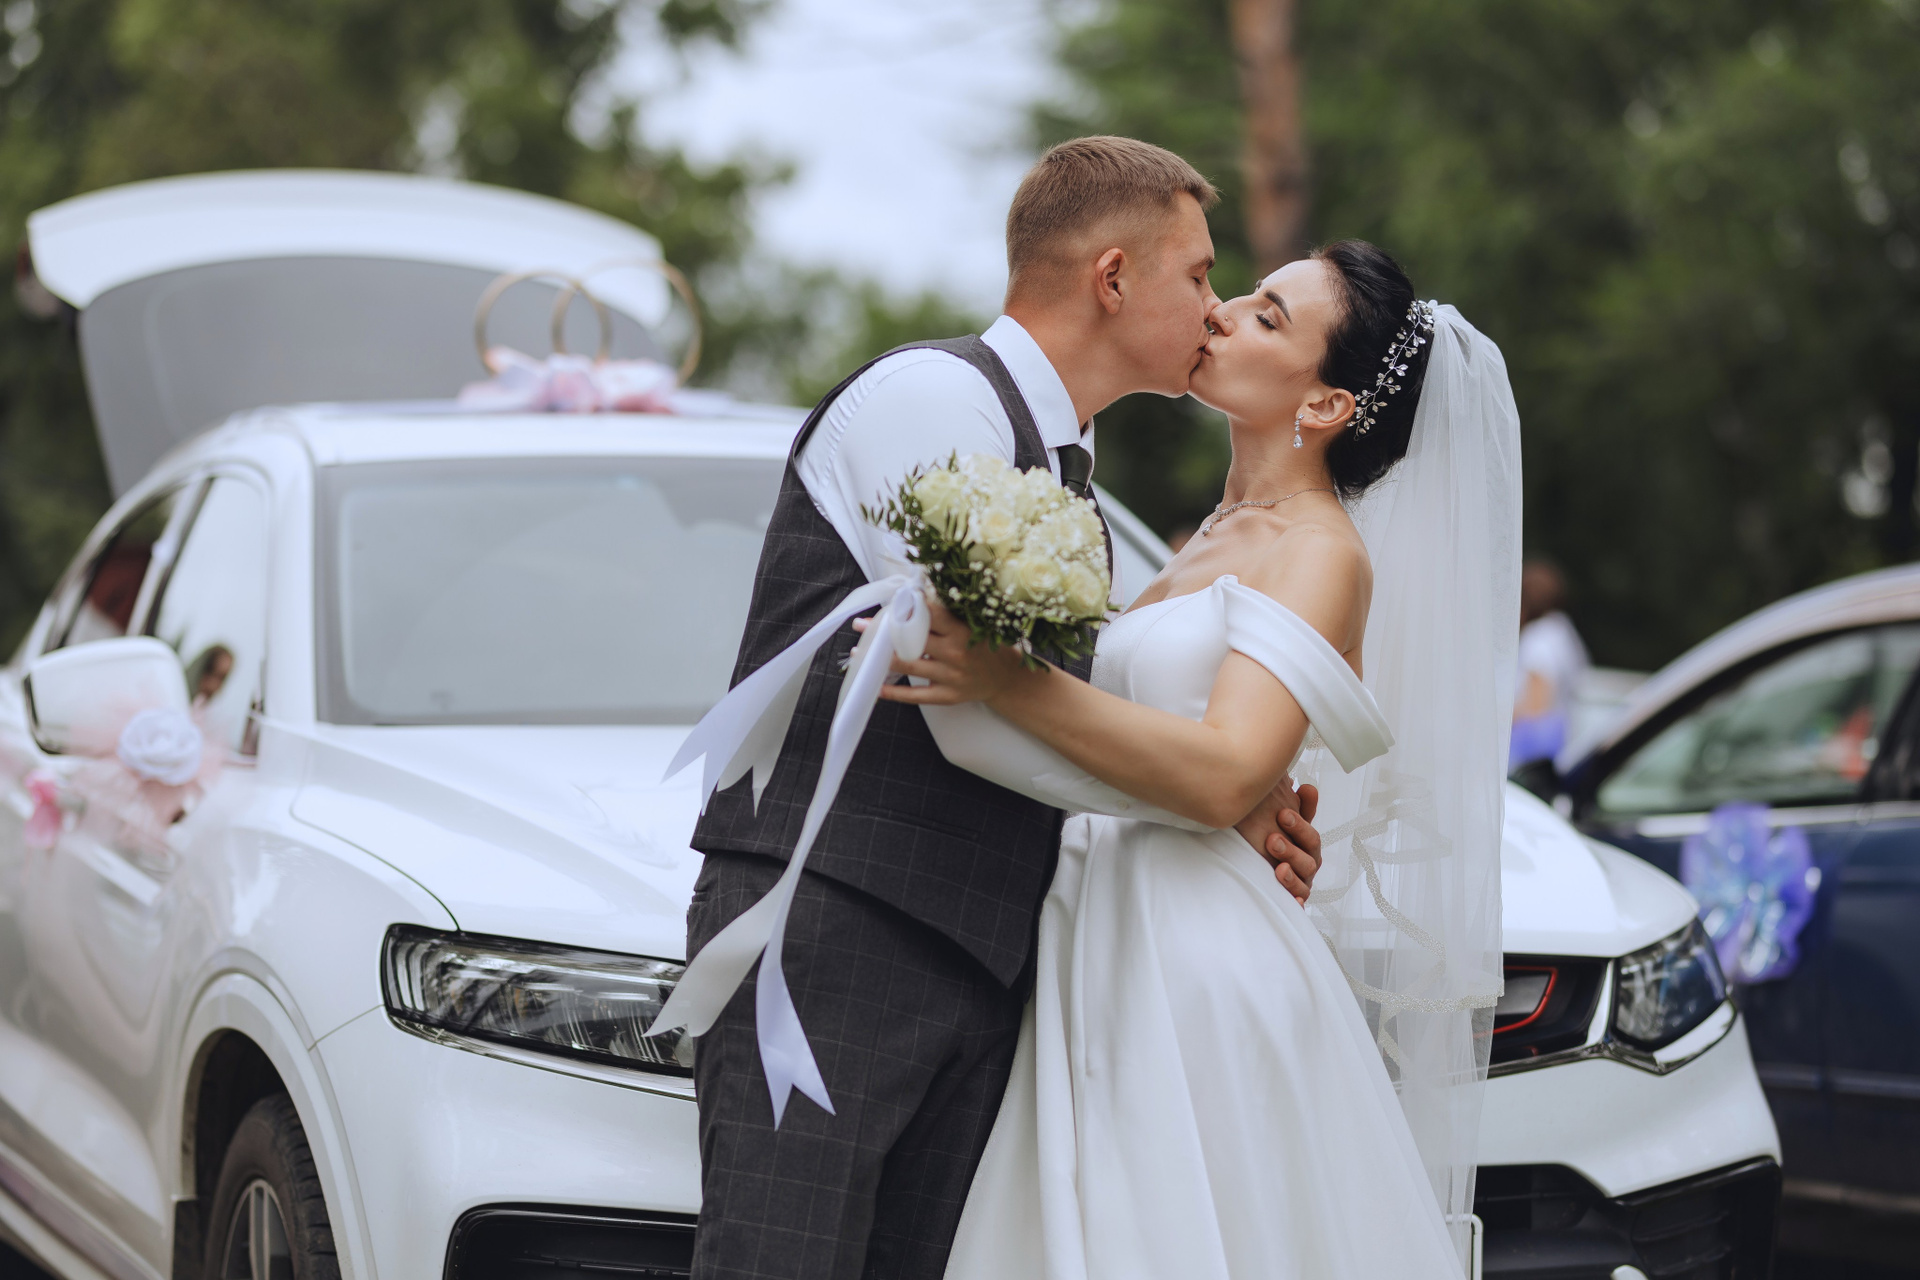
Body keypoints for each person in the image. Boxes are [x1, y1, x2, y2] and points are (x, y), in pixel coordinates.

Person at [682, 137, 1325, 1280]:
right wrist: (1209, 793)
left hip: (980, 953)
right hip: (840, 923)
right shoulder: (934, 400)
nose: (1213, 307)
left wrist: (1219, 777)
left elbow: (1049, 698)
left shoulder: (1067, 469)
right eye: (1198, 274)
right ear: (1113, 277)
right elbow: (967, 712)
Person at [882, 245, 1520, 1278]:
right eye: (1244, 294)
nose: (1221, 312)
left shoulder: (1319, 552)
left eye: (1269, 316)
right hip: (1102, 930)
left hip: (1192, 962)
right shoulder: (1217, 533)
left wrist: (1011, 683)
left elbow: (1225, 771)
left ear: (1325, 405)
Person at [1511, 559, 1590, 768]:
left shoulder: (1538, 640)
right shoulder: (1563, 632)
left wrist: (1495, 719)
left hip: (1537, 757)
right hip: (1567, 744)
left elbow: (1536, 707)